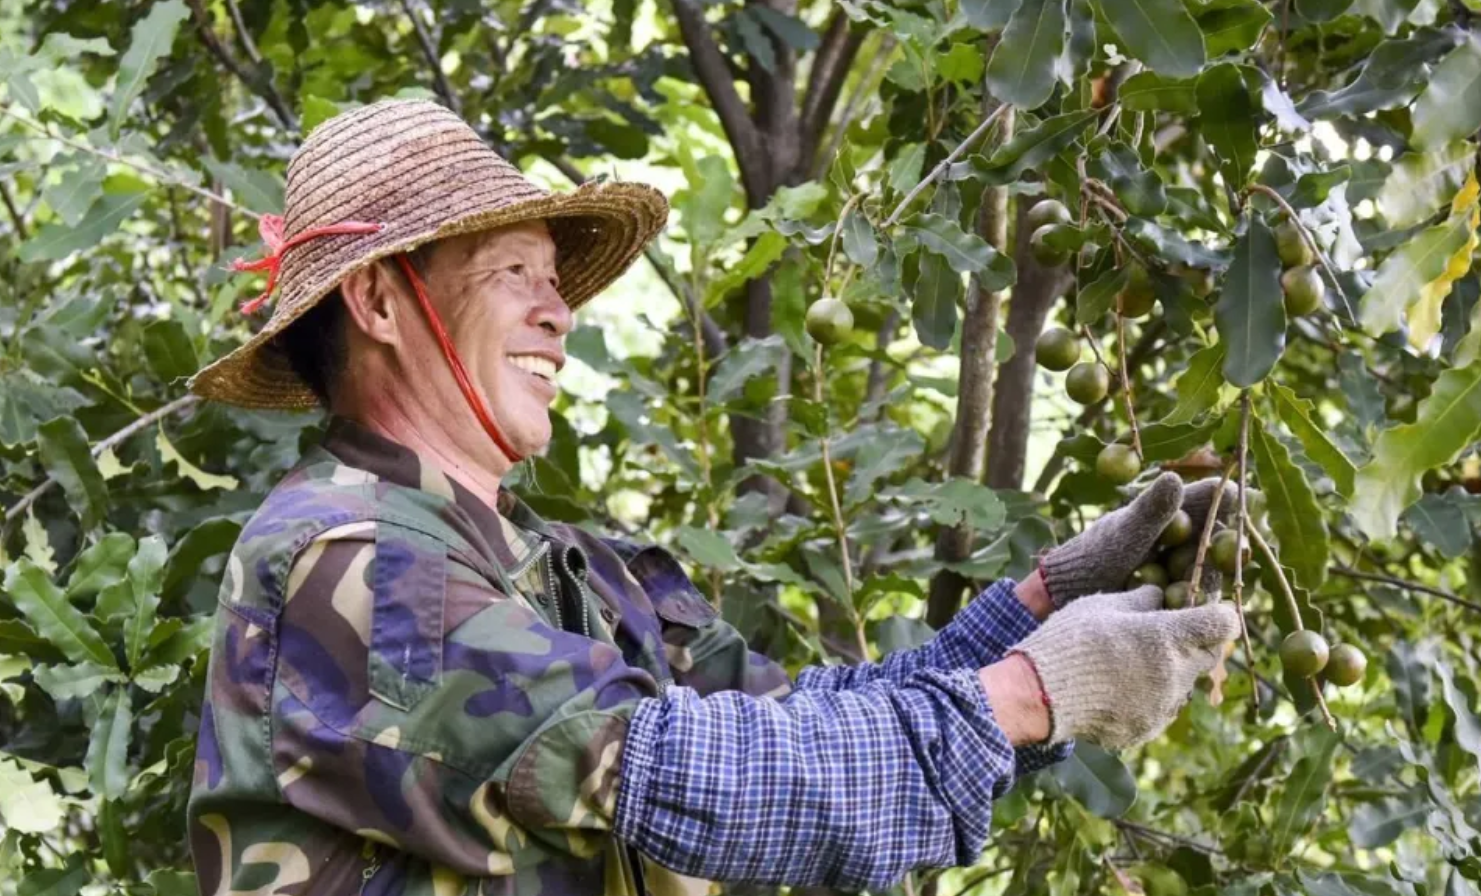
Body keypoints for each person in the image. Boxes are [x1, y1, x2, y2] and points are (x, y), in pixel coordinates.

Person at [185, 99, 1240, 896]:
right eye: (515, 270)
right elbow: (705, 775)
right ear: (376, 297)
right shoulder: (351, 559)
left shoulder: (553, 563)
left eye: (556, 279)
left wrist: (1040, 604)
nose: (559, 314)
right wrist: (1029, 692)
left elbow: (804, 720)